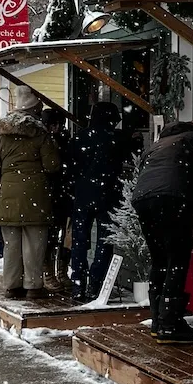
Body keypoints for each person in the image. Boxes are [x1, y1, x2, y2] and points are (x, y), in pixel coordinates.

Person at [132, 113, 193, 343]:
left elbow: (145, 173)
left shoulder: (159, 143)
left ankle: (158, 320)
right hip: (173, 198)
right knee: (177, 259)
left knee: (160, 259)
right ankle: (170, 325)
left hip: (143, 199)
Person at [0, 86, 61, 300]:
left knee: (11, 244)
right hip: (35, 194)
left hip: (8, 194)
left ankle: (11, 286)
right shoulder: (41, 134)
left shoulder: (1, 134)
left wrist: (7, 177)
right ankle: (34, 287)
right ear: (36, 108)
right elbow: (52, 165)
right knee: (34, 243)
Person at [67, 101, 129, 301]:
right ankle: (97, 283)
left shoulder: (79, 137)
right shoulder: (116, 139)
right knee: (105, 241)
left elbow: (70, 168)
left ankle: (78, 283)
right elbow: (124, 162)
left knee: (79, 241)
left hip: (83, 194)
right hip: (108, 196)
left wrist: (73, 189)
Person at [41, 108, 72, 292]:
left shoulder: (63, 141)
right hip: (51, 194)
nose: (57, 128)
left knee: (64, 237)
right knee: (51, 237)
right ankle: (49, 273)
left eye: (59, 124)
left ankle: (60, 271)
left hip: (60, 194)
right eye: (53, 124)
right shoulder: (44, 142)